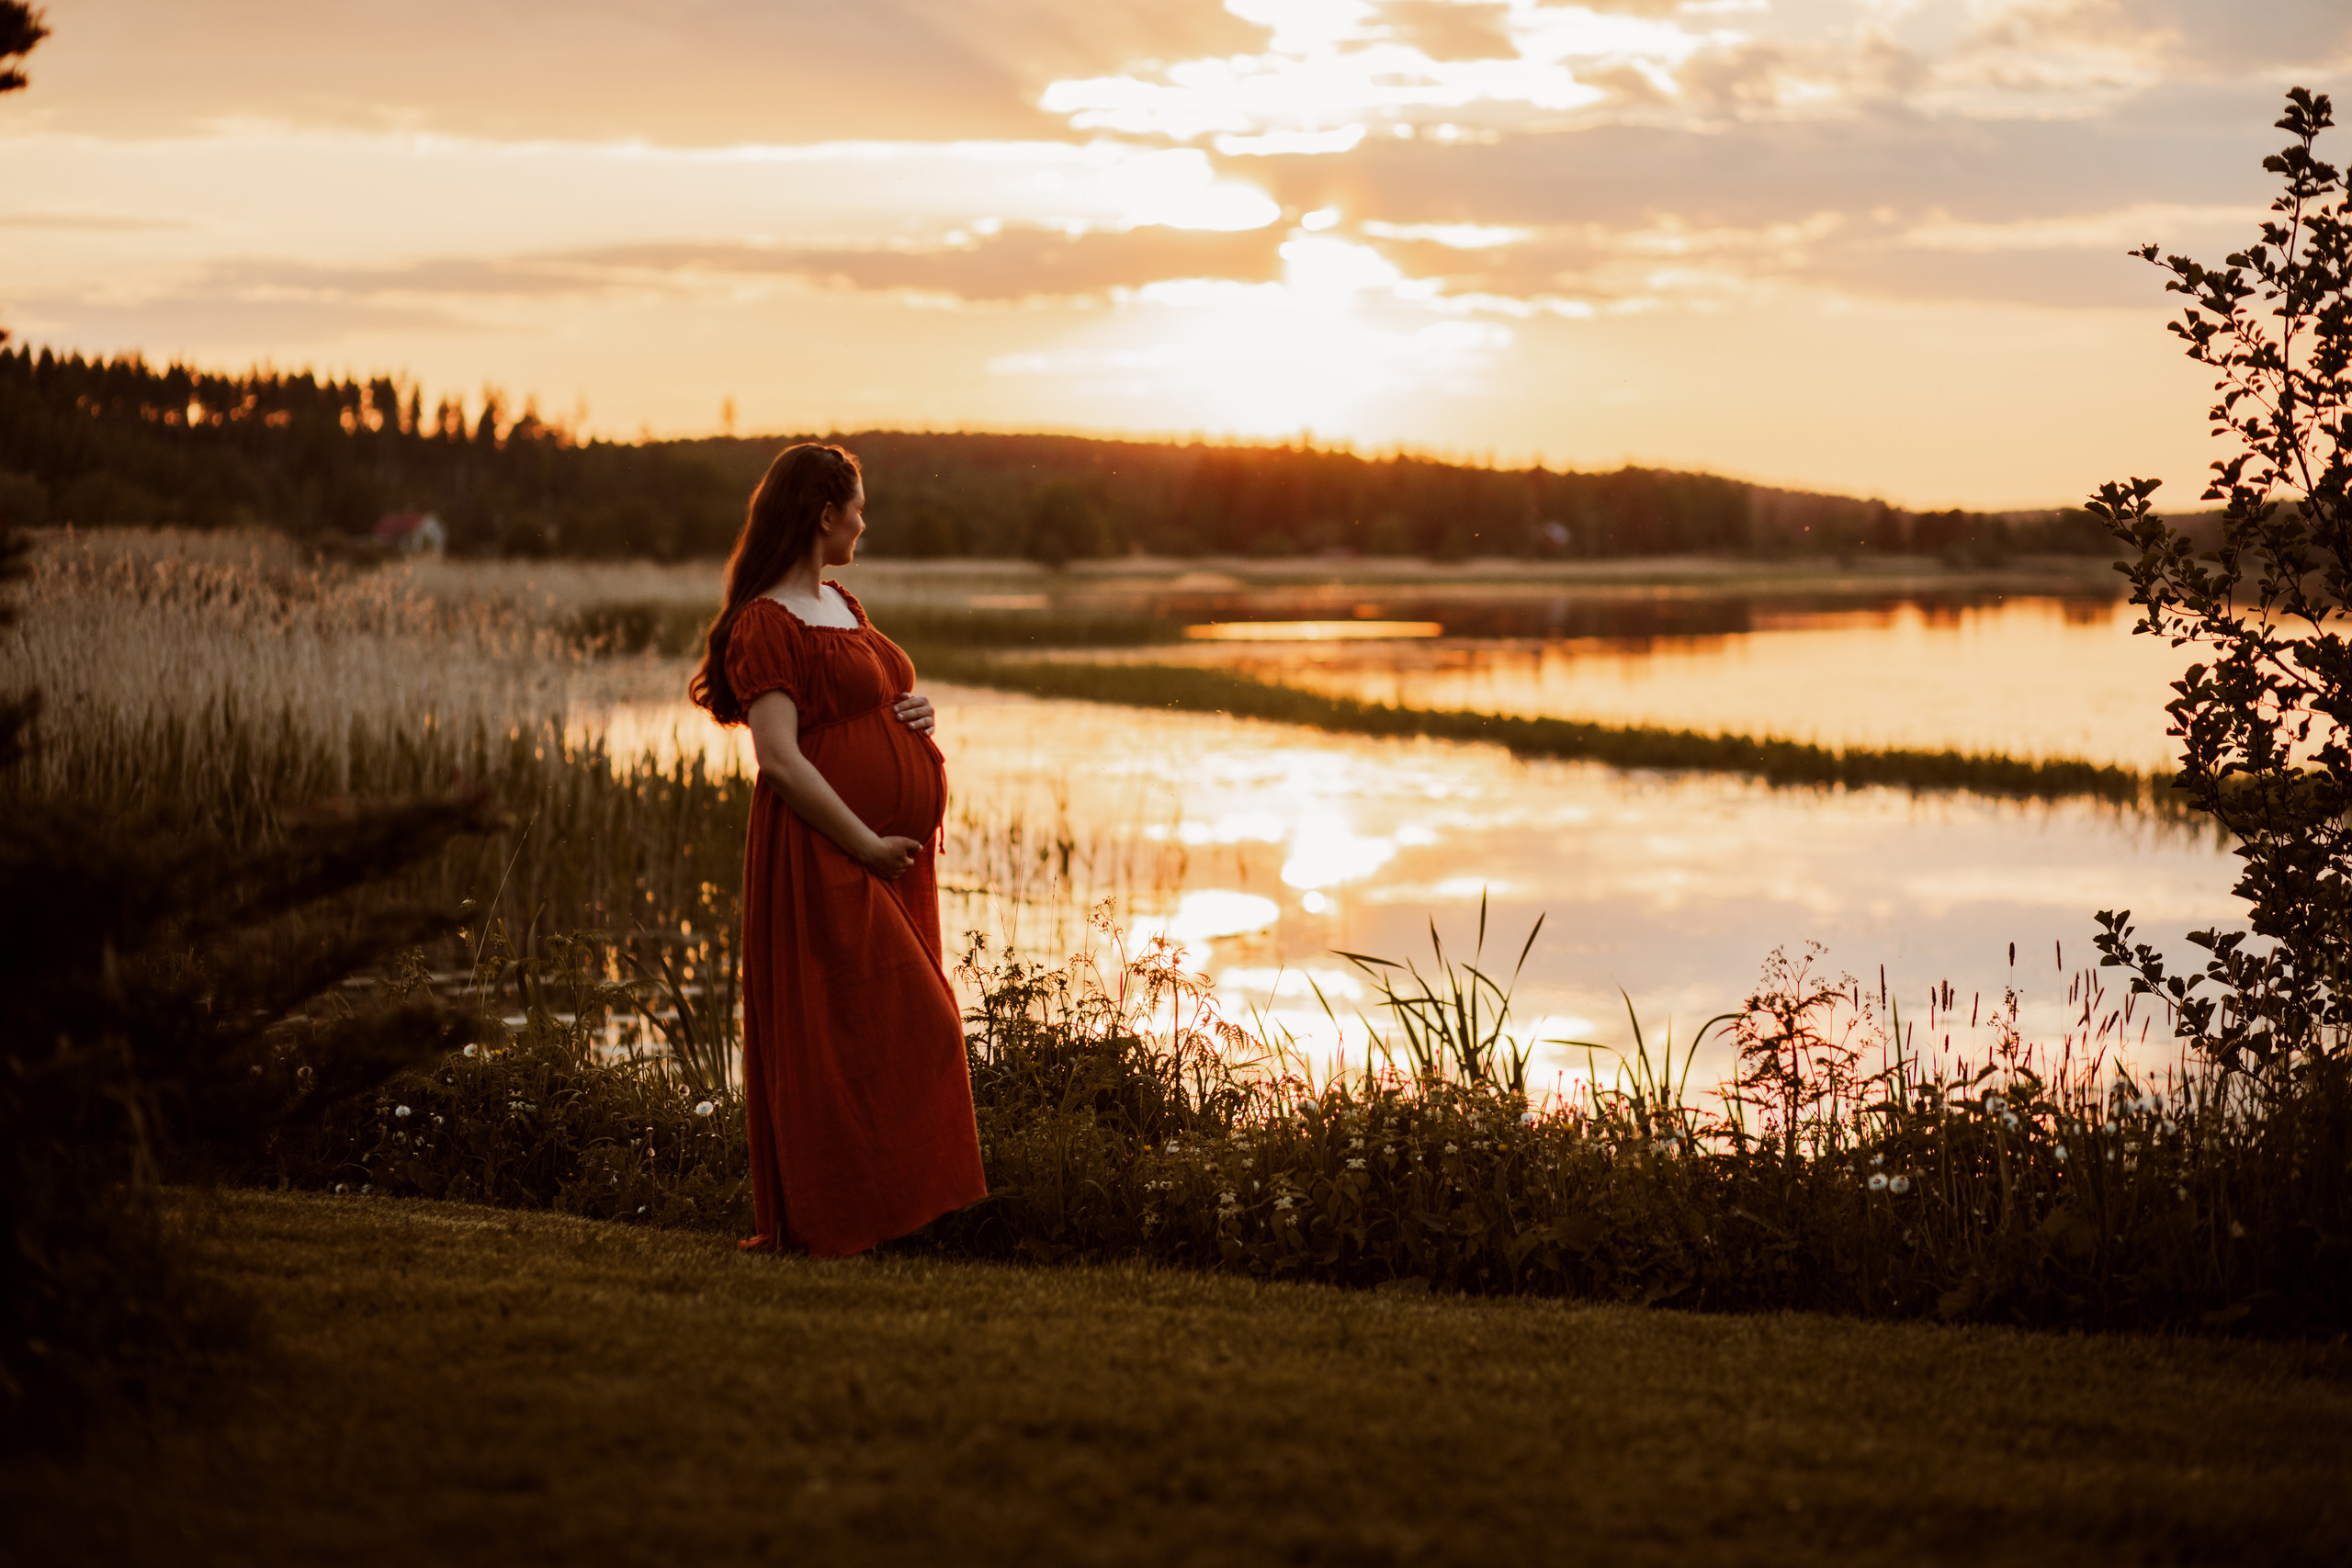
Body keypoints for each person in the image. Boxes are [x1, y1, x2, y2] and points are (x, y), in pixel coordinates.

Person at [689, 442, 986, 1256]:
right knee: (850, 1028)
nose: (865, 519)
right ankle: (843, 1216)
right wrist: (862, 842)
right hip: (826, 850)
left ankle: (892, 1213)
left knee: (887, 1024)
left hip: (888, 858)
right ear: (824, 514)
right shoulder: (764, 625)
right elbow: (779, 758)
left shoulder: (844, 605)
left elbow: (877, 696)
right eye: (856, 505)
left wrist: (916, 712)